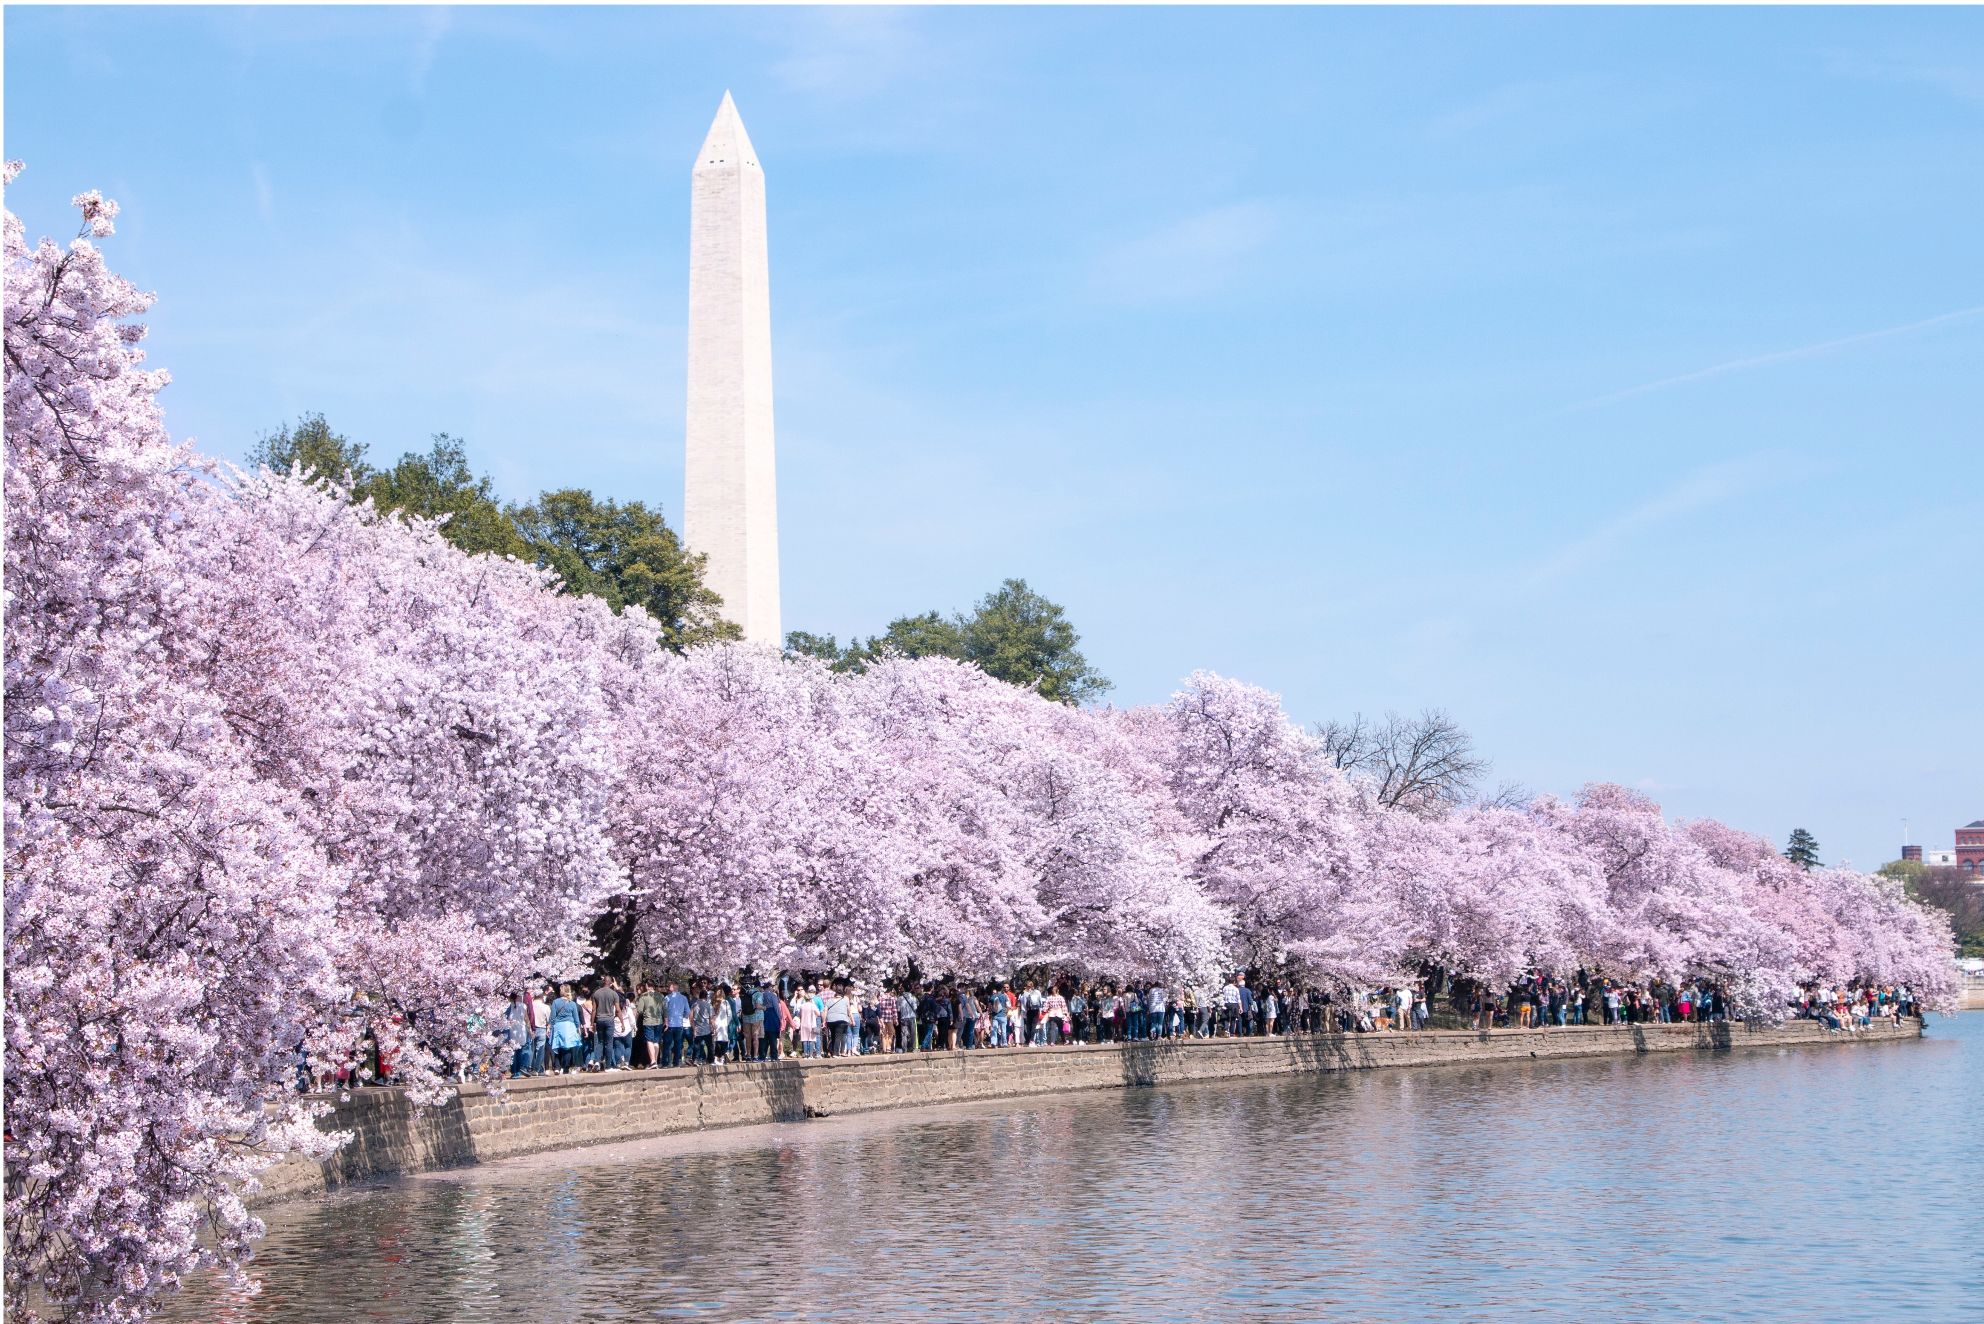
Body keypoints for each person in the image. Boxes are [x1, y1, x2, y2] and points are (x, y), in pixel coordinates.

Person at [549, 983, 584, 1073]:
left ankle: (557, 1067)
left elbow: (552, 1016)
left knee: (557, 1046)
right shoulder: (572, 1003)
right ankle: (566, 1068)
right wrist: (578, 1028)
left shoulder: (555, 1002)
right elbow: (576, 1018)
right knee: (567, 1047)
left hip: (558, 1026)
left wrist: (549, 1027)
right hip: (569, 1026)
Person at [663, 981, 691, 1068]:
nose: (668, 988)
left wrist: (665, 1019)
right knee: (678, 1044)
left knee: (667, 1044)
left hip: (669, 1023)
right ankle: (676, 1062)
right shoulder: (683, 998)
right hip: (679, 1023)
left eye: (669, 987)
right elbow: (688, 1011)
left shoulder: (667, 998)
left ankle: (665, 1062)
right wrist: (682, 1016)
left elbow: (663, 1010)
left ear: (674, 988)